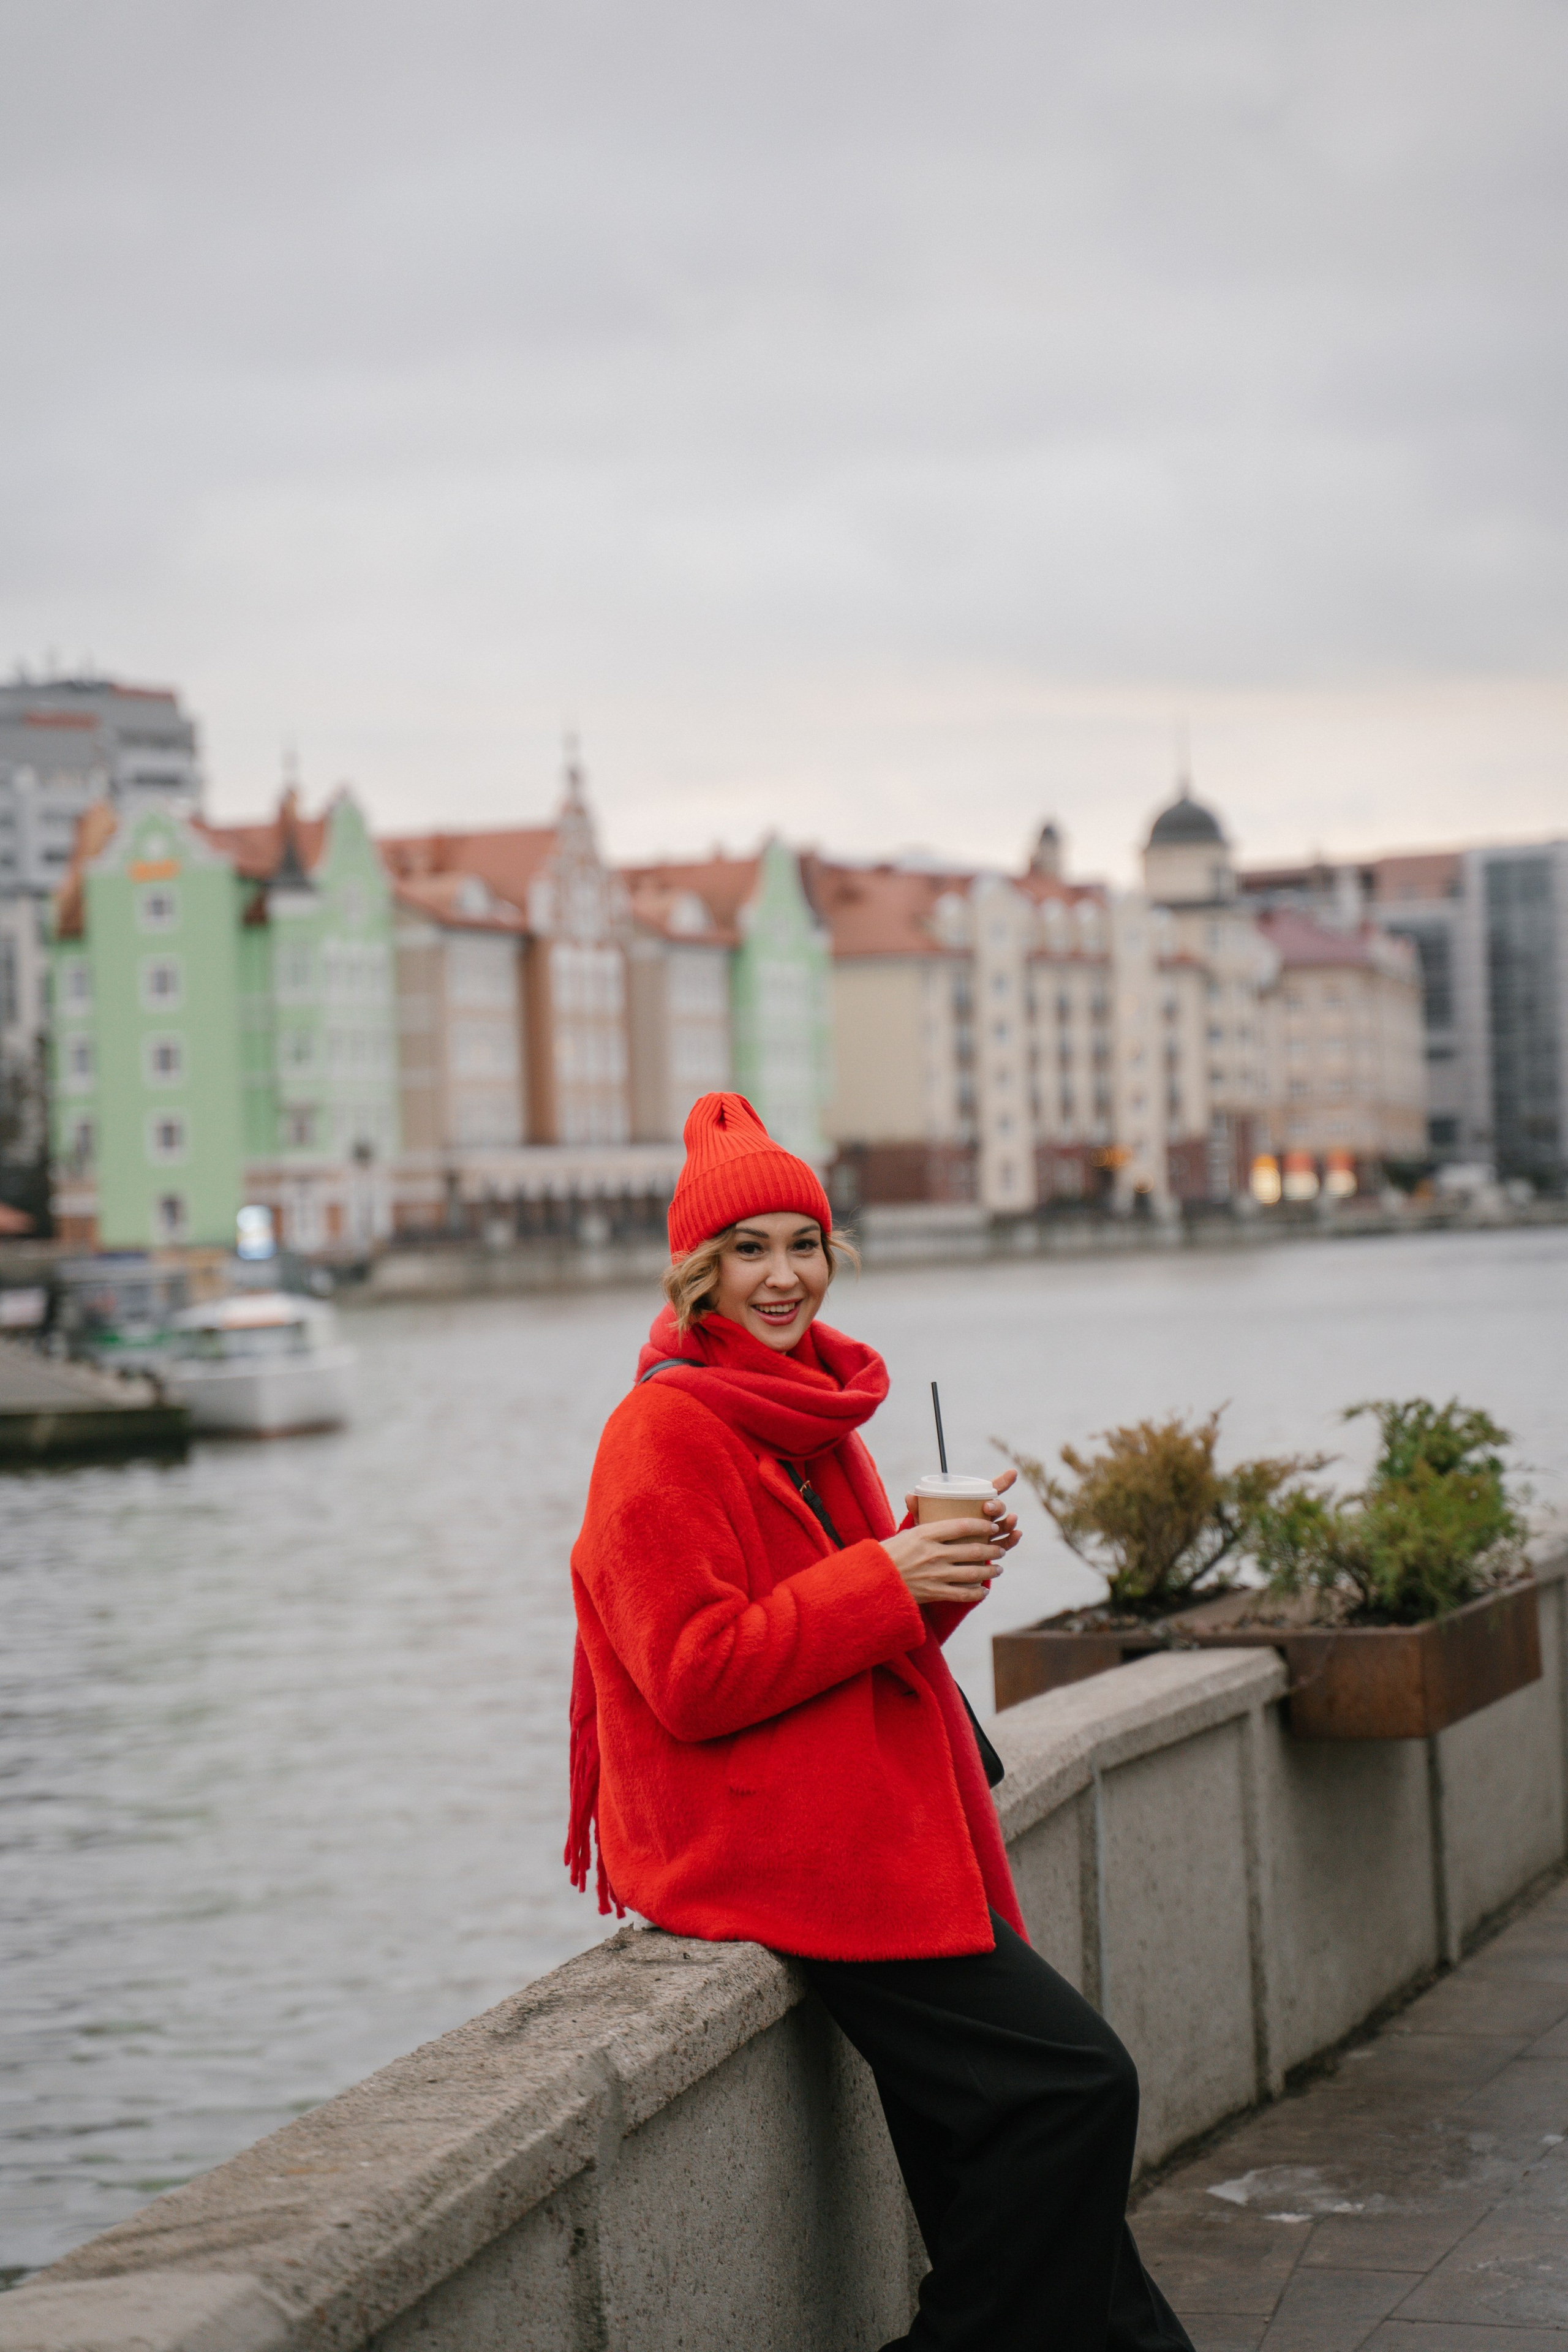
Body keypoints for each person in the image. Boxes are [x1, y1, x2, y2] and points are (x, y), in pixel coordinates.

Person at [566, 1091, 1193, 2352]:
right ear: (696, 1271)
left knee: (997, 2147)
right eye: (749, 1250)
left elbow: (852, 1649)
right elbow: (693, 1675)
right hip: (776, 1843)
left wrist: (933, 1572)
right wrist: (885, 1576)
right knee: (1073, 2089)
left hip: (862, 1812)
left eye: (805, 1245)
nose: (784, 1276)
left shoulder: (810, 1415)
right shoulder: (661, 1434)